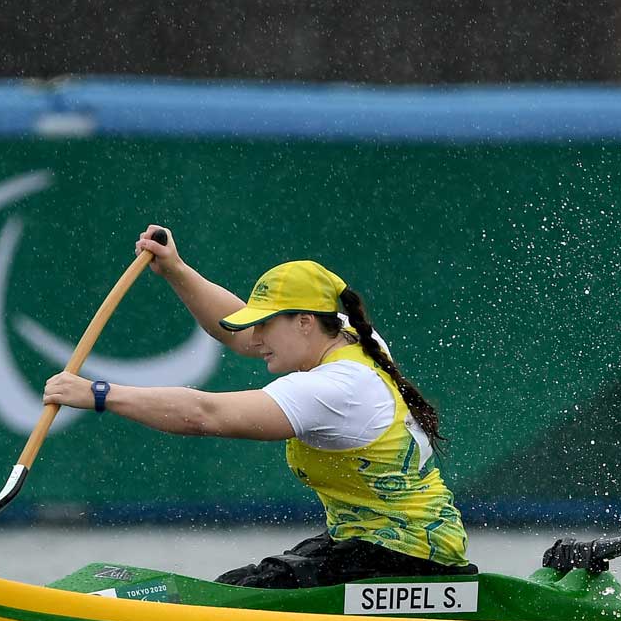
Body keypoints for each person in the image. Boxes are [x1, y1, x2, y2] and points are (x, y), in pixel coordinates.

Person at [42, 225, 475, 588]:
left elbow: (204, 415)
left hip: (410, 556)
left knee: (247, 590)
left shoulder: (336, 387)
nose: (255, 336)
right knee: (241, 585)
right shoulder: (344, 333)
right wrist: (175, 269)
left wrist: (100, 395)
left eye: (266, 323)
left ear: (304, 322)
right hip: (381, 542)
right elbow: (234, 330)